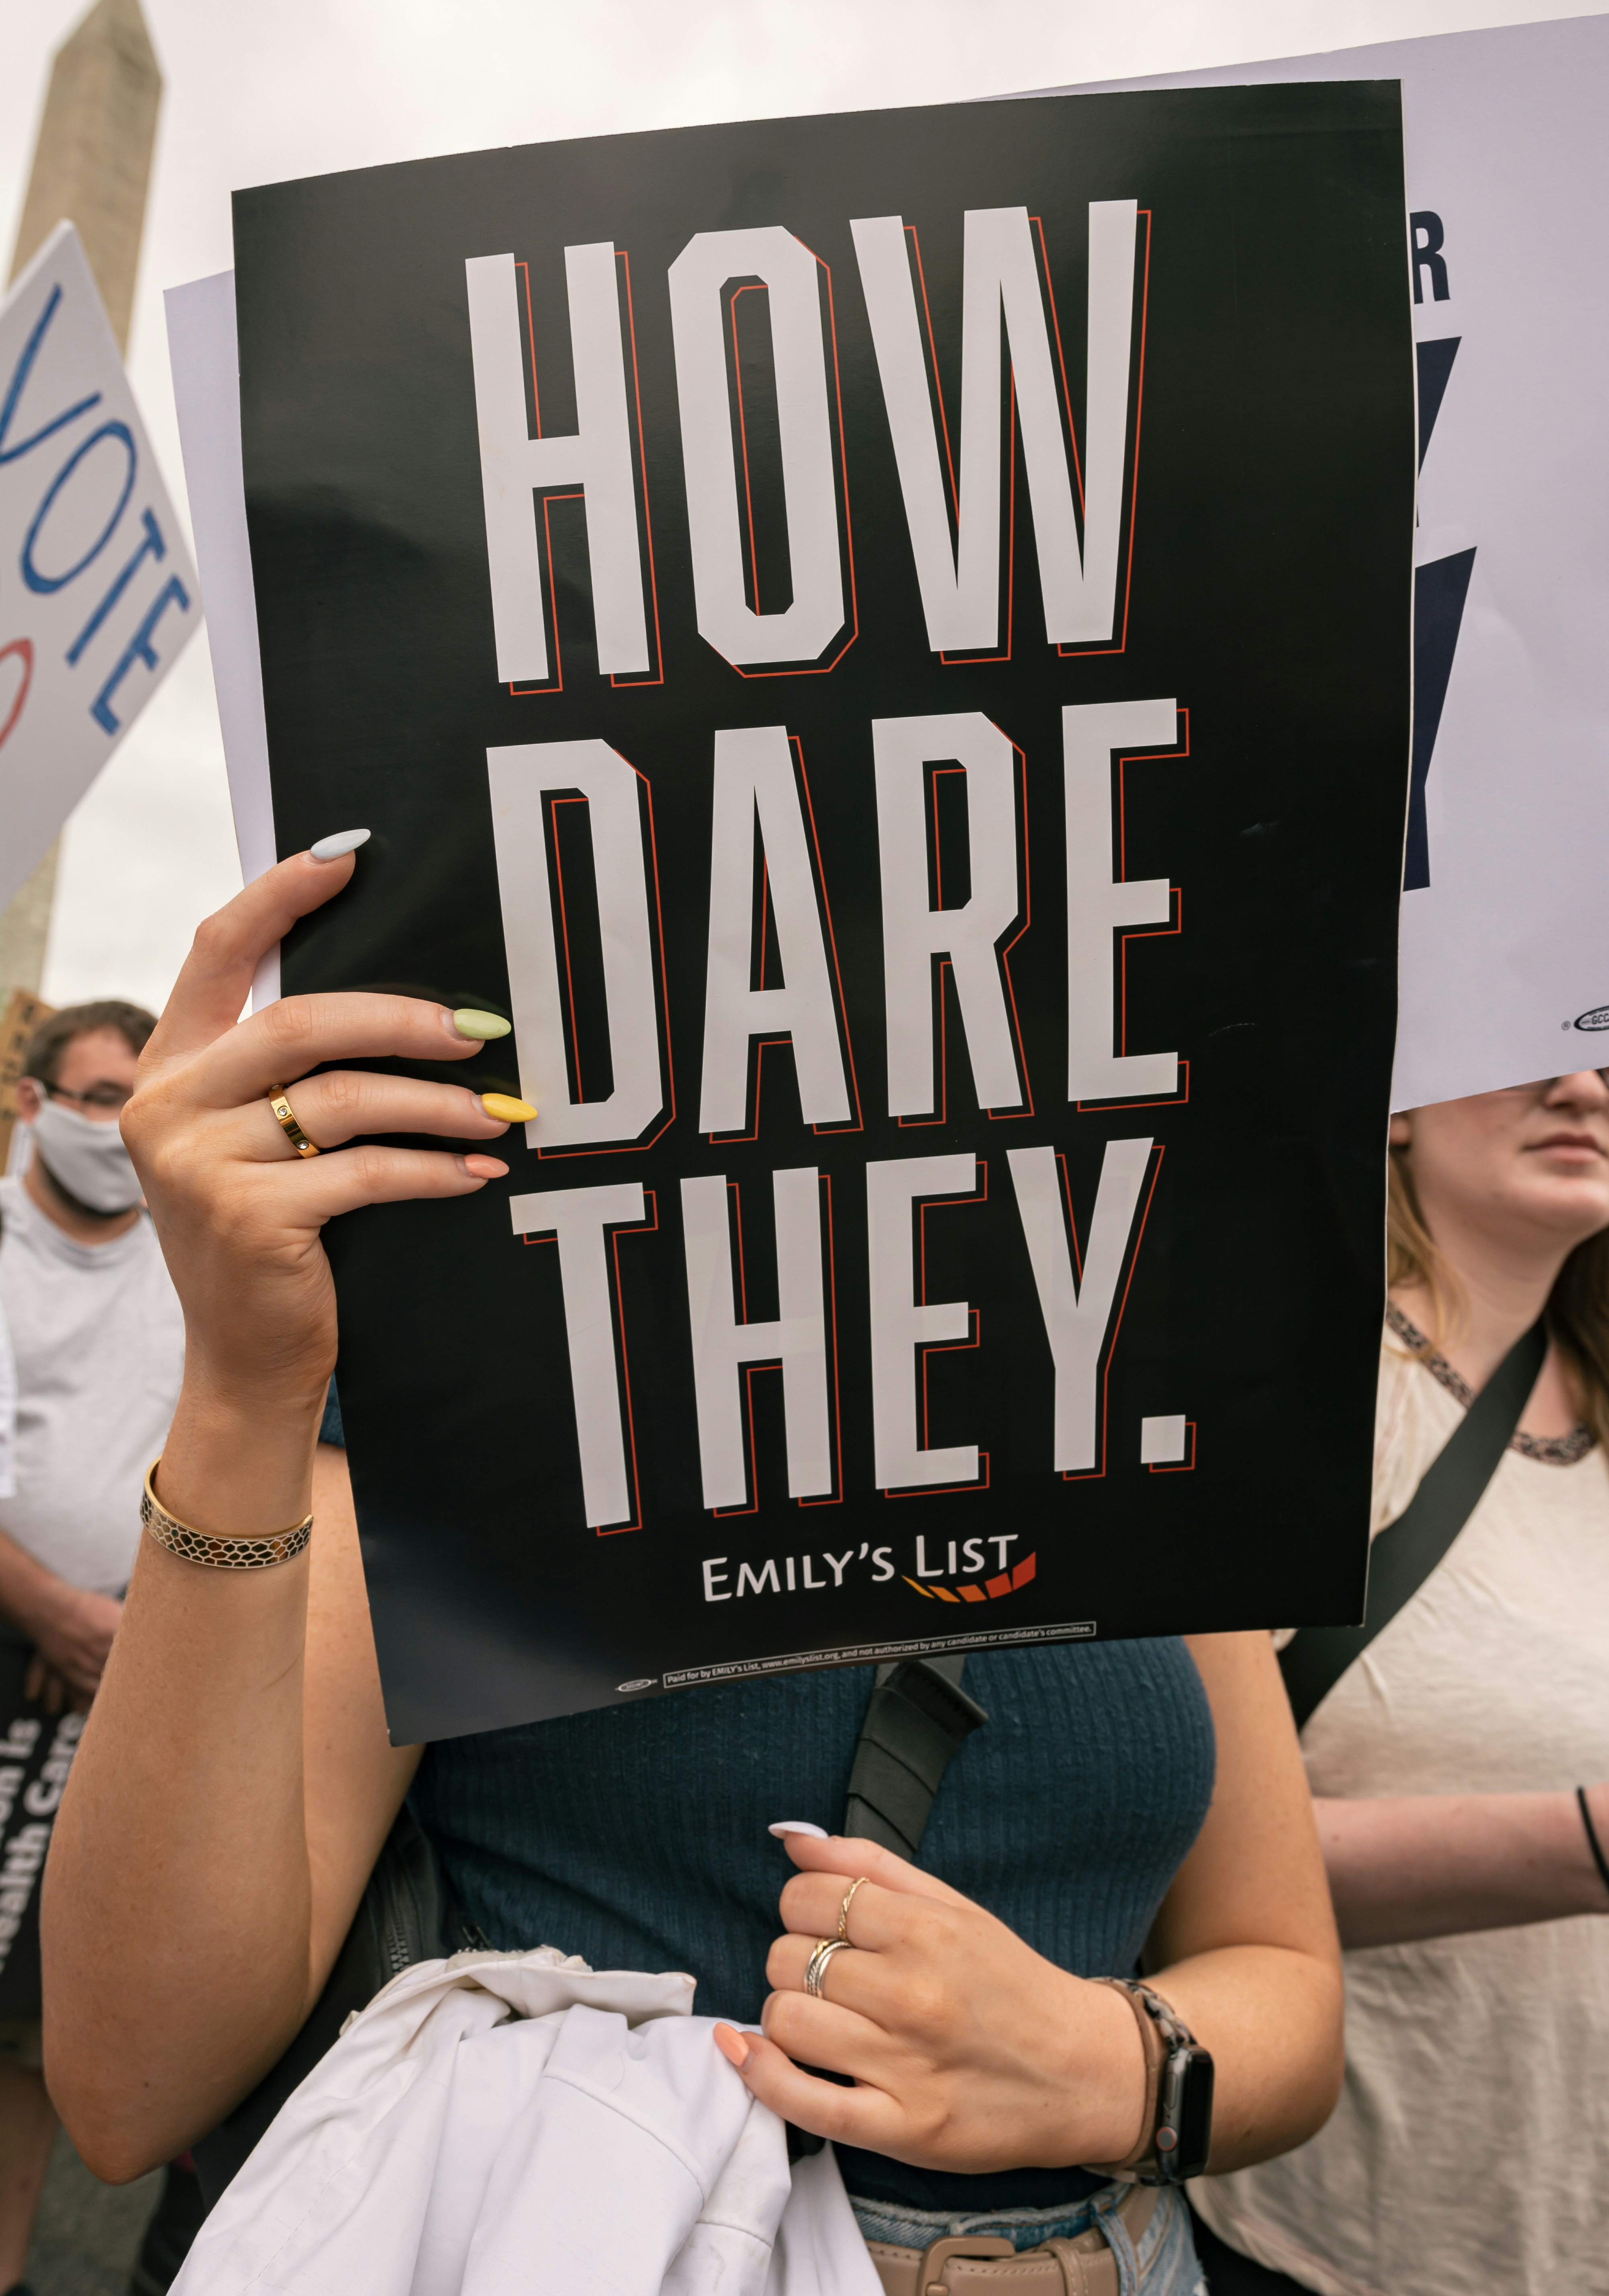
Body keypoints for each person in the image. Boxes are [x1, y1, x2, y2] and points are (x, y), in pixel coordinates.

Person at [43, 851, 1348, 2294]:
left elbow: (1289, 1990)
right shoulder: (476, 1334)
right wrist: (242, 1391)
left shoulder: (1131, 1354)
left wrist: (1107, 2064)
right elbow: (126, 2086)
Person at [1191, 1071, 1609, 2296]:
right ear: (1396, 1101)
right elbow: (1180, 1857)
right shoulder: (1311, 1393)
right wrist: (1582, 1842)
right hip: (1323, 2247)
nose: (1583, 1082)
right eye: (1526, 1036)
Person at [0, 1001, 184, 2296]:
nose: (124, 1129)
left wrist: (122, 1629)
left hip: (109, 1687)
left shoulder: (189, 1258)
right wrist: (49, 1609)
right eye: (102, 1096)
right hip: (33, 1655)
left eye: (146, 1099)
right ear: (32, 1101)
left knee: (31, 2032)